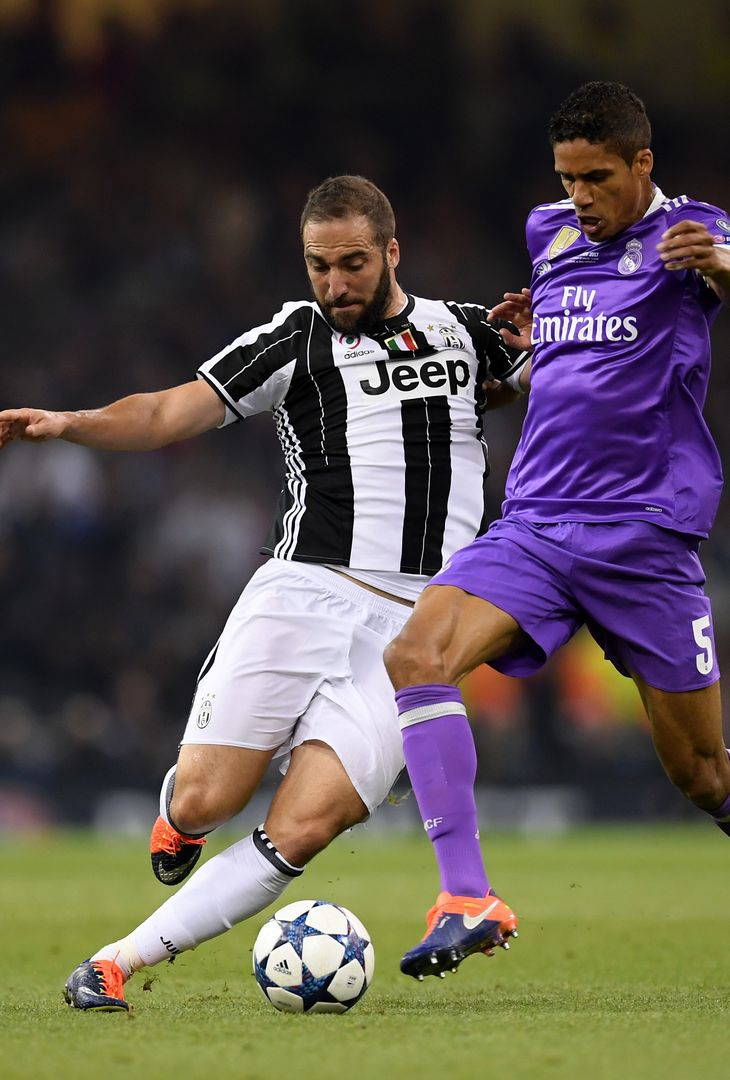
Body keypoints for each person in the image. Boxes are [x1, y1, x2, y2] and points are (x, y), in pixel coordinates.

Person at [0, 175, 527, 1010]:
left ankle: (114, 963)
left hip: (423, 628)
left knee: (304, 827)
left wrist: (551, 345)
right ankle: (180, 813)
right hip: (304, 593)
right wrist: (74, 423)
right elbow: (173, 410)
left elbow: (560, 390)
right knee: (212, 797)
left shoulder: (466, 333)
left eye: (353, 263)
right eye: (320, 265)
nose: (335, 283)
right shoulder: (295, 338)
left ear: (392, 252)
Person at [384, 81, 730, 981]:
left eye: (598, 176)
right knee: (415, 655)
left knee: (704, 778)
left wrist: (726, 267)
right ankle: (467, 898)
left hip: (644, 541)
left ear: (642, 165)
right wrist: (535, 349)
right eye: (568, 176)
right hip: (535, 522)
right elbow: (575, 362)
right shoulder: (550, 235)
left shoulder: (692, 231)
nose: (580, 194)